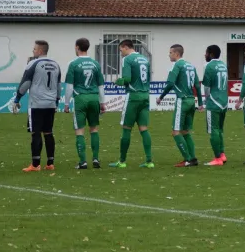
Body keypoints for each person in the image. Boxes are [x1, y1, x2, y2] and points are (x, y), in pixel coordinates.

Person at [13, 40, 62, 172]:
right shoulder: (56, 64)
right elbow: (58, 85)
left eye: (34, 49)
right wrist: (56, 101)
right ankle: (50, 163)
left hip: (36, 103)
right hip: (51, 103)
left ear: (40, 51)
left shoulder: (33, 63)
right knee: (48, 132)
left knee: (35, 133)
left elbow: (25, 83)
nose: (33, 51)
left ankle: (35, 164)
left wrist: (17, 98)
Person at [109, 39, 154, 168]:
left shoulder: (127, 59)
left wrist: (117, 81)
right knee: (144, 129)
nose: (121, 53)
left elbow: (127, 79)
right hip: (145, 95)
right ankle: (149, 161)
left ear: (126, 47)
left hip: (133, 96)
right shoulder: (145, 59)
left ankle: (122, 161)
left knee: (126, 128)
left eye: (121, 50)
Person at [157, 44, 204, 167]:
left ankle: (188, 159)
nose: (169, 54)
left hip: (182, 101)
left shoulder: (177, 65)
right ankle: (192, 158)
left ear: (176, 54)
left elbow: (170, 83)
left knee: (176, 132)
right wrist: (200, 103)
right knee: (185, 131)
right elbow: (198, 86)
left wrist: (161, 97)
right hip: (191, 101)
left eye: (171, 52)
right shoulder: (191, 66)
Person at [63, 38, 107, 169]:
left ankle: (83, 162)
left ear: (77, 47)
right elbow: (100, 86)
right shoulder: (95, 64)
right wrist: (102, 102)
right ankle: (95, 159)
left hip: (81, 99)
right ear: (87, 47)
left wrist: (66, 103)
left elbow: (69, 86)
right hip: (94, 98)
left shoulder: (73, 64)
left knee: (79, 130)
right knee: (94, 129)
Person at [202, 45, 229, 166]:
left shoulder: (208, 66)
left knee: (213, 130)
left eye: (206, 53)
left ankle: (217, 158)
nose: (205, 55)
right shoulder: (223, 65)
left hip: (214, 101)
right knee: (219, 129)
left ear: (211, 54)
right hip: (224, 100)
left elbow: (206, 87)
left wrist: (206, 99)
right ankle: (222, 154)